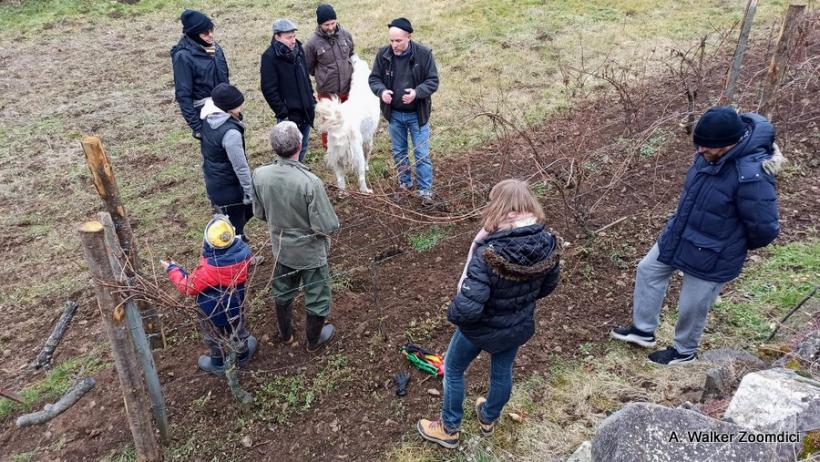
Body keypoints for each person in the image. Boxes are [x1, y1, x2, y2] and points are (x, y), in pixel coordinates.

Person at [610, 107, 780, 365]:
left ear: (729, 144)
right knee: (649, 270)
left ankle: (684, 352)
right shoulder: (710, 152)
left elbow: (765, 228)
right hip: (681, 233)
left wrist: (731, 243)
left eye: (706, 147)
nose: (699, 151)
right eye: (699, 145)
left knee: (692, 306)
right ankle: (643, 331)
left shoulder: (752, 175)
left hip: (715, 252)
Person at [417, 179, 561, 448]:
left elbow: (470, 308)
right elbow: (549, 285)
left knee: (453, 368)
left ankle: (449, 428)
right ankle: (488, 418)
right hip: (516, 324)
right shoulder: (546, 242)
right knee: (502, 371)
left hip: (480, 327)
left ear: (500, 207)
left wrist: (452, 312)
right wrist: (520, 303)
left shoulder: (489, 252)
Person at [251, 121, 340, 351]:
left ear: (274, 147)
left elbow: (259, 213)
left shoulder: (259, 175)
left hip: (281, 249)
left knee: (282, 291)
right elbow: (327, 225)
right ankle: (313, 341)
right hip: (310, 253)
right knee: (318, 297)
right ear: (300, 146)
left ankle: (287, 335)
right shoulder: (310, 183)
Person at [161, 215, 257, 374]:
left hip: (211, 312)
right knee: (237, 330)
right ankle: (243, 355)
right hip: (236, 305)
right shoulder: (245, 255)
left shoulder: (208, 271)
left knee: (213, 337)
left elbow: (187, 287)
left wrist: (173, 269)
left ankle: (218, 364)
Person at [368, 17, 439, 207]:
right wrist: (382, 92)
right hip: (395, 116)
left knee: (421, 154)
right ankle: (405, 184)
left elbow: (432, 81)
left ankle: (425, 191)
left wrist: (417, 93)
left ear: (409, 37)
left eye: (398, 41)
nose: (394, 45)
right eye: (391, 40)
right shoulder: (383, 55)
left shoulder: (424, 54)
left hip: (417, 115)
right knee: (399, 153)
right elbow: (374, 79)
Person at [199, 83, 254, 238]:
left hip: (214, 182)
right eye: (237, 105)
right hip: (229, 188)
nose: (241, 108)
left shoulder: (208, 120)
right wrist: (250, 192)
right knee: (235, 229)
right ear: (227, 108)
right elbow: (240, 167)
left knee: (232, 220)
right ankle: (241, 259)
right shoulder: (230, 133)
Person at [261, 19, 316, 163]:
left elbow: (306, 78)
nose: (292, 40)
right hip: (289, 115)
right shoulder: (269, 57)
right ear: (277, 36)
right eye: (288, 37)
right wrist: (283, 112)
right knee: (287, 152)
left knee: (302, 146)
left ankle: (299, 171)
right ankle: (286, 177)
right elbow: (268, 89)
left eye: (293, 36)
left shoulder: (299, 50)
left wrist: (312, 100)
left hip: (306, 110)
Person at [170, 9, 230, 140]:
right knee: (215, 156)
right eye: (205, 33)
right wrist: (197, 127)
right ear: (194, 35)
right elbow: (183, 94)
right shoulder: (183, 57)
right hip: (205, 113)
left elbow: (225, 78)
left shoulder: (216, 48)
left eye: (211, 30)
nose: (211, 35)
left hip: (225, 107)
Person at [304, 4, 355, 150]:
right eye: (327, 24)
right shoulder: (312, 43)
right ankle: (330, 150)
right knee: (329, 122)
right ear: (320, 24)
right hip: (327, 92)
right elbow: (308, 66)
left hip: (347, 88)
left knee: (347, 119)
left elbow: (351, 53)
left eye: (333, 23)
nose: (331, 27)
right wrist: (323, 76)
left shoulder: (346, 35)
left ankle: (348, 145)